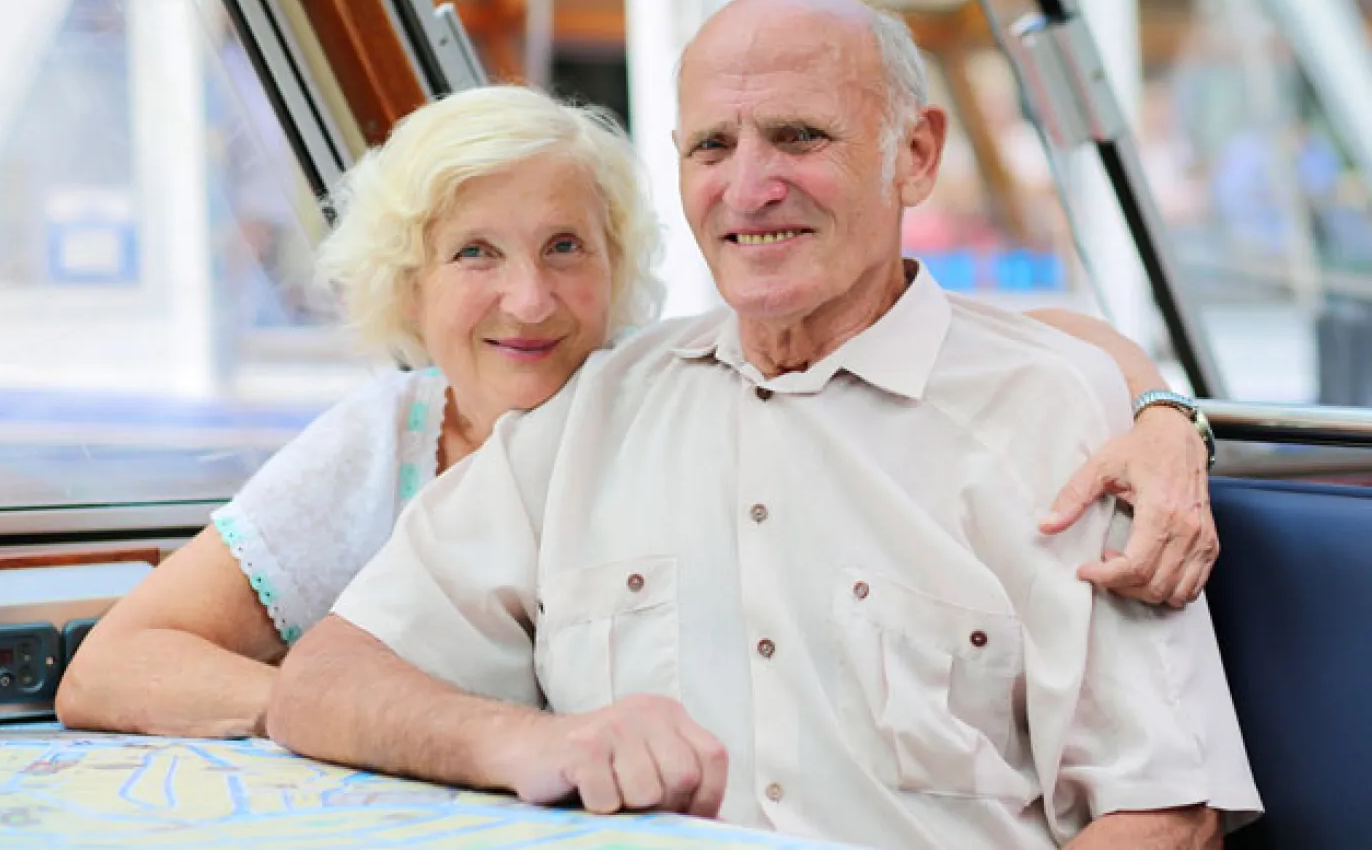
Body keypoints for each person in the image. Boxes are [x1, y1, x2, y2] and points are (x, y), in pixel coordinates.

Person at [268, 0, 1259, 849]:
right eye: (712, 145)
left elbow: (1162, 816)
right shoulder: (591, 412)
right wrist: (523, 741)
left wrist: (1164, 407)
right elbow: (324, 680)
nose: (748, 188)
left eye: (797, 136)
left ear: (913, 156)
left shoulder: (1055, 411)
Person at [58, 73, 1210, 743]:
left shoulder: (660, 389)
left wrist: (1161, 415)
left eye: (566, 247)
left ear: (618, 264)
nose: (529, 297)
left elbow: (1001, 340)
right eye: (474, 253)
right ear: (408, 284)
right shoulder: (384, 441)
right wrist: (363, 718)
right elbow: (114, 665)